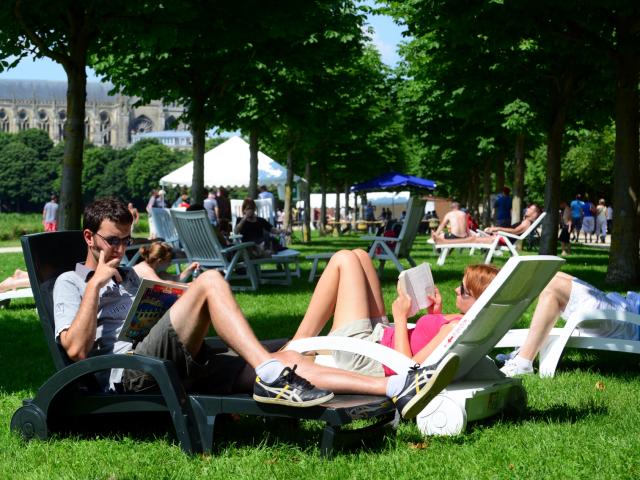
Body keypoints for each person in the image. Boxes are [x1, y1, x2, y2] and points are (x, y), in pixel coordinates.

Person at [53, 197, 454, 419]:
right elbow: (74, 350)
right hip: (134, 373)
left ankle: (396, 386)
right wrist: (95, 290)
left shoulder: (131, 275)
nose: (120, 250)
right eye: (112, 242)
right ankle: (269, 372)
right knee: (211, 282)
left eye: (126, 241)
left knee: (290, 357)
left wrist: (169, 294)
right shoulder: (69, 283)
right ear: (89, 237)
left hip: (178, 358)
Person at [291, 249, 497, 376]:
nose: (455, 290)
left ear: (478, 300)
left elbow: (408, 369)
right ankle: (300, 344)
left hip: (367, 357)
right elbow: (429, 343)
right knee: (360, 256)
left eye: (462, 290)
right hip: (379, 340)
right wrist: (435, 314)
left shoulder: (455, 328)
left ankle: (298, 344)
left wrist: (399, 318)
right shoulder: (464, 321)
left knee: (344, 259)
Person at [500, 272, 640, 376]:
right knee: (549, 274)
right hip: (622, 306)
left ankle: (523, 362)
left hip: (628, 319)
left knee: (553, 287)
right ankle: (526, 349)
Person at [432, 204, 542, 246]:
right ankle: (444, 241)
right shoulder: (526, 221)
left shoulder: (527, 222)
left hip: (502, 239)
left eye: (530, 209)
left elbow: (516, 231)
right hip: (502, 237)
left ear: (535, 213)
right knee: (472, 238)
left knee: (472, 239)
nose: (527, 210)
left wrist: (497, 229)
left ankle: (444, 242)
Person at [133, 241, 199, 283]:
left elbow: (176, 279)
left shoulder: (158, 270)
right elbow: (163, 286)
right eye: (169, 261)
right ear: (160, 261)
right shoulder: (146, 270)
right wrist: (190, 285)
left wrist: (189, 269)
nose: (170, 264)